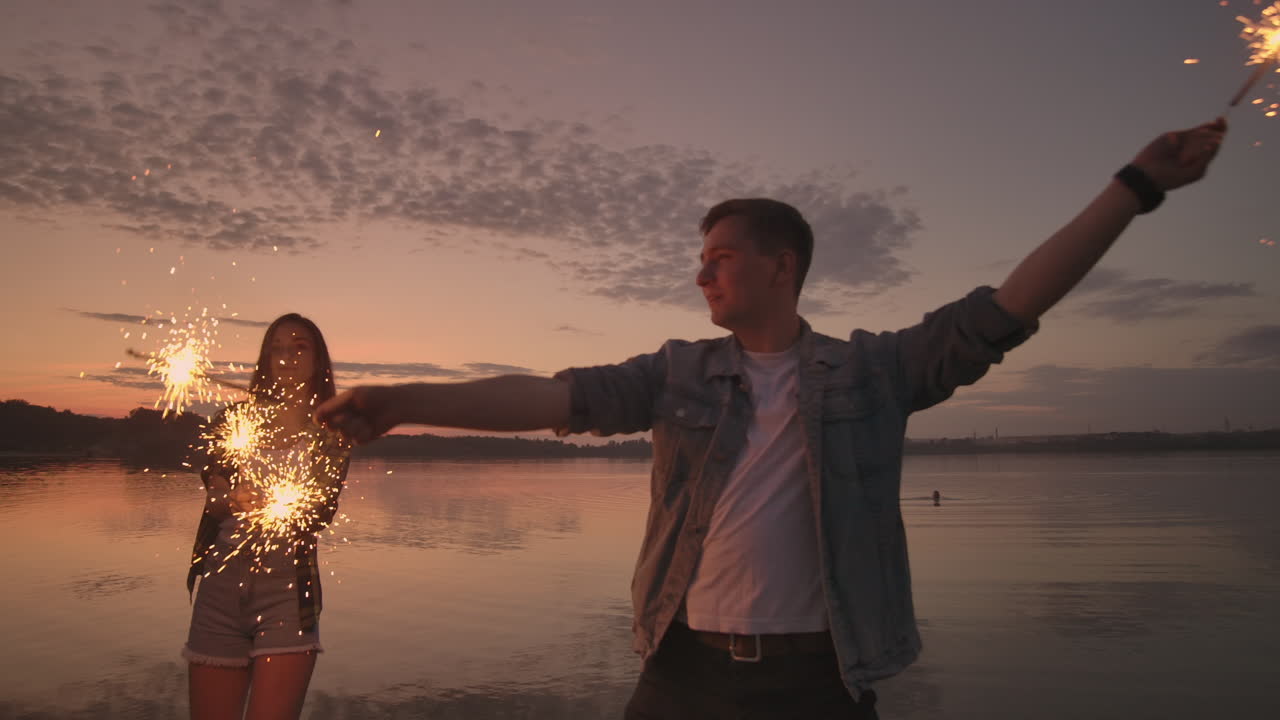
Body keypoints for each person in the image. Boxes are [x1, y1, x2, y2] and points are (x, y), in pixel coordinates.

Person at [315, 118, 1226, 719]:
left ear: (781, 265)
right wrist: (401, 402)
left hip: (820, 681)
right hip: (681, 670)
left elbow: (1011, 305)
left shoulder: (874, 371)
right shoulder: (677, 375)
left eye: (719, 257)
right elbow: (552, 397)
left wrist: (1135, 186)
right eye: (700, 260)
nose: (702, 275)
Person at [184, 313, 350, 720]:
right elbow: (215, 496)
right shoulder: (234, 420)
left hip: (287, 595)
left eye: (298, 347)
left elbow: (321, 511)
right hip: (220, 591)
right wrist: (233, 498)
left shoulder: (331, 432)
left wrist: (285, 506)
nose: (286, 356)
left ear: (318, 360)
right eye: (276, 348)